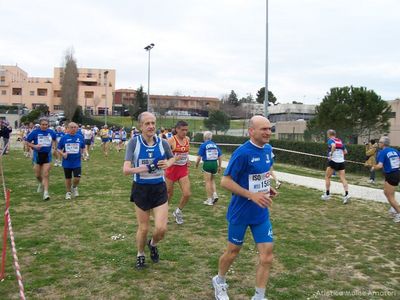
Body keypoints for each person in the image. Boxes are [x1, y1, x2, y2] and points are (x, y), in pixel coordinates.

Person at [212, 115, 278, 300]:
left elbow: (260, 175)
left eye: (269, 128)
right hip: (240, 212)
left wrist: (267, 188)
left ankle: (259, 296)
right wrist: (251, 195)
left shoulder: (268, 150)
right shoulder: (242, 153)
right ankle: (219, 280)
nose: (268, 132)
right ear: (251, 131)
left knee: (267, 256)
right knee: (232, 252)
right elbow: (225, 181)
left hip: (260, 214)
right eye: (263, 129)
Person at [123, 112, 176, 269]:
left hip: (159, 188)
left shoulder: (163, 143)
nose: (151, 126)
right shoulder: (134, 143)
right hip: (141, 189)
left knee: (161, 228)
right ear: (141, 126)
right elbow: (126, 170)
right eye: (147, 123)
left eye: (153, 123)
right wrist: (145, 168)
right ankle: (140, 253)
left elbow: (172, 157)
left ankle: (152, 244)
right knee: (144, 228)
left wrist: (169, 163)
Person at [166, 120, 191, 225]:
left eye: (186, 130)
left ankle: (178, 211)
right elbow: (164, 156)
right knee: (168, 194)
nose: (184, 132)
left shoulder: (187, 139)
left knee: (187, 194)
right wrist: (172, 159)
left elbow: (186, 152)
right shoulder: (171, 141)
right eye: (182, 130)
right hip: (171, 170)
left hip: (182, 170)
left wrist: (187, 159)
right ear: (177, 129)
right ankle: (163, 214)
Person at [25, 118, 57, 200]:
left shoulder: (51, 132)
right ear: (40, 125)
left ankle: (46, 193)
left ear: (48, 125)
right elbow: (27, 142)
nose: (44, 126)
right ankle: (40, 183)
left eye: (46, 124)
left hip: (47, 155)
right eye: (43, 124)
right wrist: (34, 146)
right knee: (37, 175)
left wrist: (53, 147)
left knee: (46, 174)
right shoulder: (35, 132)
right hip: (38, 155)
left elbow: (54, 140)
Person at [371, 136, 400, 223]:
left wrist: (373, 167)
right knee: (387, 193)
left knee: (390, 196)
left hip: (391, 175)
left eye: (379, 142)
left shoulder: (382, 152)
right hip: (396, 173)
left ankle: (398, 213)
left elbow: (380, 165)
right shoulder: (395, 151)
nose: (379, 143)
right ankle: (393, 208)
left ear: (383, 144)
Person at [57, 122, 86, 200]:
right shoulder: (64, 138)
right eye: (72, 127)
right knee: (68, 178)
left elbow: (83, 147)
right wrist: (63, 154)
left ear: (77, 128)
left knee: (77, 178)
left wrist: (83, 154)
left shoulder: (80, 137)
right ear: (68, 128)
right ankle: (68, 192)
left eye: (75, 127)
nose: (73, 129)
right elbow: (58, 148)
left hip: (77, 161)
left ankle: (74, 187)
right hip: (67, 161)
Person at [321, 129, 350, 204]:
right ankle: (346, 194)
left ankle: (327, 194)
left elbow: (333, 146)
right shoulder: (340, 141)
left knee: (327, 177)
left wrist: (331, 155)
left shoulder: (331, 140)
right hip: (341, 162)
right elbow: (346, 152)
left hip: (333, 161)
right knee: (343, 178)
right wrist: (340, 156)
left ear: (329, 134)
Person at [195, 131, 222, 206]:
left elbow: (199, 157)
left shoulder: (203, 145)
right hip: (214, 164)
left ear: (204, 137)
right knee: (212, 180)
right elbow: (220, 156)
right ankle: (215, 194)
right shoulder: (215, 145)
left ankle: (209, 200)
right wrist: (219, 166)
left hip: (207, 163)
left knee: (207, 182)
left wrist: (196, 165)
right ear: (211, 137)